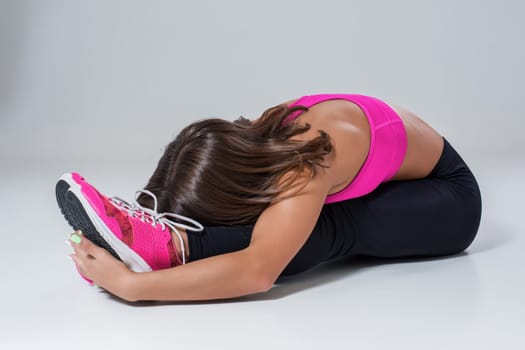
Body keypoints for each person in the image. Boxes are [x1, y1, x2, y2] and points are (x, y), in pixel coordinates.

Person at [58, 93, 482, 302]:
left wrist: (135, 286)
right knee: (284, 222)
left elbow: (259, 272)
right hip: (392, 181)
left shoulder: (307, 162)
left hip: (447, 201)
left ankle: (177, 249)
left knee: (325, 229)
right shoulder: (260, 137)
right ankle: (165, 240)